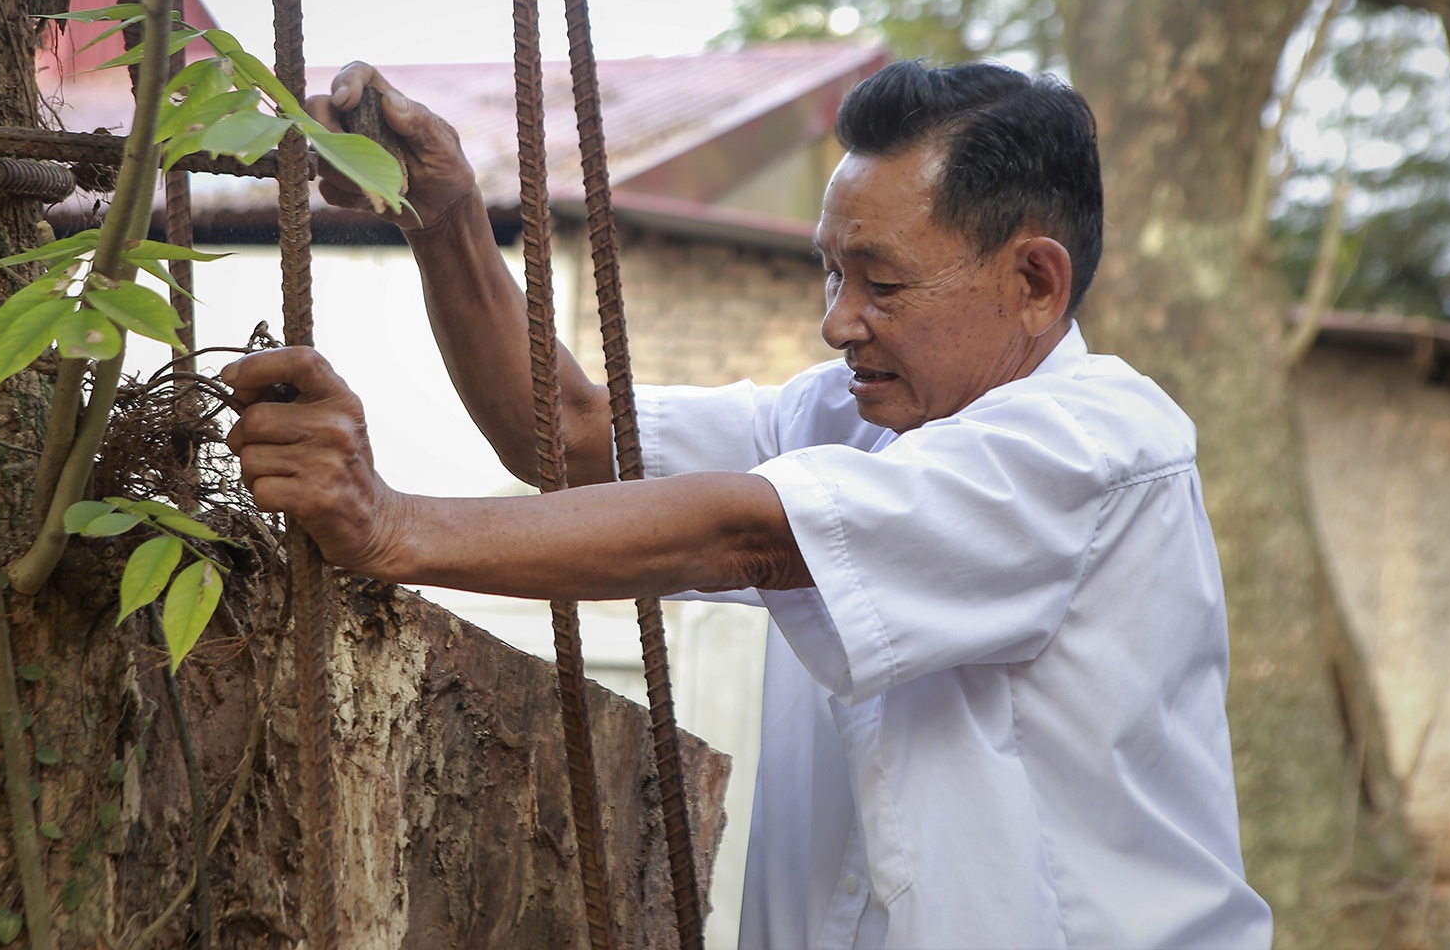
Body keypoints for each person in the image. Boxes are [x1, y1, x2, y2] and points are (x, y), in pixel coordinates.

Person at [223, 58, 1274, 950]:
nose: (838, 323)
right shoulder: (851, 415)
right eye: (831, 274)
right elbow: (570, 437)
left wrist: (391, 525)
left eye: (882, 283)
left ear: (1035, 282)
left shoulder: (1094, 444)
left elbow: (748, 534)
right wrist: (446, 215)